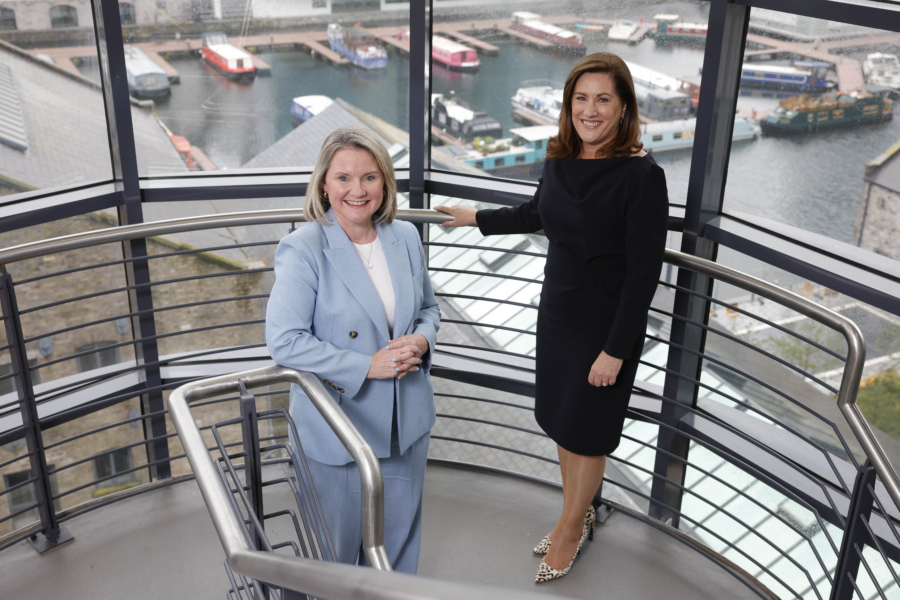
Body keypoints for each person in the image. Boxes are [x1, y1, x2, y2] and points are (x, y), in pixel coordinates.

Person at [435, 52, 668, 583]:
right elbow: (538, 213)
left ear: (624, 107)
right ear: (568, 106)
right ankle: (575, 514)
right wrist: (476, 218)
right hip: (558, 314)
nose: (590, 110)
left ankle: (568, 528)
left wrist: (616, 349)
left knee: (588, 433)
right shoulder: (559, 158)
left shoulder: (641, 177)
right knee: (563, 424)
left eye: (603, 99)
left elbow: (643, 275)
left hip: (604, 328)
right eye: (580, 99)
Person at [266, 126, 440, 573]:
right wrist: (367, 366)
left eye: (369, 177)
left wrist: (421, 339)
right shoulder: (303, 248)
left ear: (385, 182)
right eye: (343, 178)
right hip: (338, 427)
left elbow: (429, 310)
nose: (357, 191)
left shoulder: (404, 237)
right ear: (323, 184)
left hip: (406, 421)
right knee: (335, 558)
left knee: (398, 553)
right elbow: (284, 340)